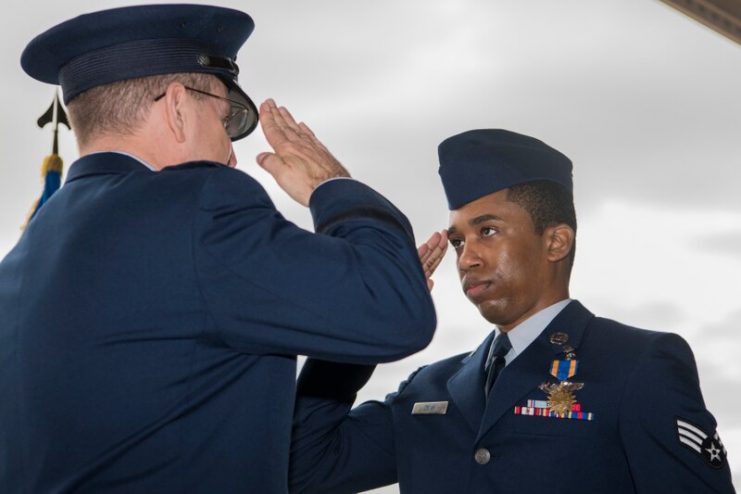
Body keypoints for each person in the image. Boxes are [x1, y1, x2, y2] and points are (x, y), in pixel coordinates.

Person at [0, 4, 436, 493]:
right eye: (224, 119)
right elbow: (395, 311)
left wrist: (344, 307)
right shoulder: (196, 206)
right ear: (178, 106)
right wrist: (332, 186)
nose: (232, 154)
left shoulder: (23, 258)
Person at [290, 129, 736, 493]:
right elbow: (304, 469)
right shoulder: (430, 388)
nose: (466, 259)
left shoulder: (638, 364)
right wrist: (365, 313)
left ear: (556, 241)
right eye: (460, 241)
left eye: (487, 231)